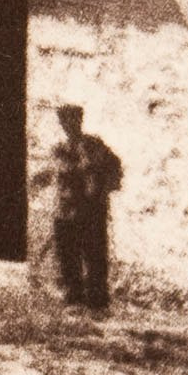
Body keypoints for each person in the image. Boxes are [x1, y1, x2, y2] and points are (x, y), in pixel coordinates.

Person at [48, 104, 124, 311]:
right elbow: (57, 176)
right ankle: (74, 299)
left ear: (80, 121)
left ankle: (97, 302)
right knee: (68, 254)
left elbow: (115, 168)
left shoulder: (94, 145)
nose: (69, 125)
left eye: (73, 120)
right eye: (65, 121)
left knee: (95, 254)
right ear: (62, 124)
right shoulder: (59, 150)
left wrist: (103, 189)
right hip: (66, 211)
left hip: (91, 211)